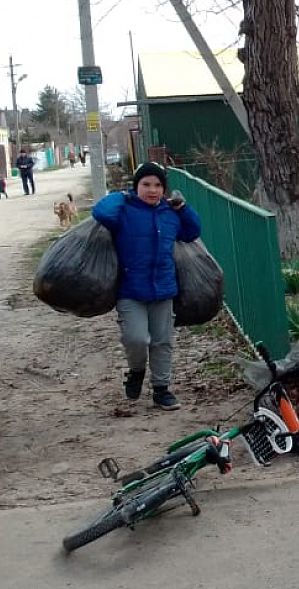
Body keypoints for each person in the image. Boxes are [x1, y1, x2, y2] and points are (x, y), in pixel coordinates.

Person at [92, 162, 201, 410]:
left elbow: (193, 231)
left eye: (158, 185)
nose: (152, 190)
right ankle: (136, 371)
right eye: (146, 184)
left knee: (162, 341)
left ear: (164, 188)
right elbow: (102, 214)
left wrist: (183, 208)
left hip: (163, 288)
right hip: (130, 290)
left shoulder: (170, 213)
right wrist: (120, 196)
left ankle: (162, 390)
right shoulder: (124, 211)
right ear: (136, 186)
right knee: (136, 338)